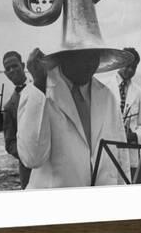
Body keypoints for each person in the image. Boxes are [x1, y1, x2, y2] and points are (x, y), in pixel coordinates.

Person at [17, 48, 131, 189]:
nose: (89, 65)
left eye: (94, 57)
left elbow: (121, 157)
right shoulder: (37, 93)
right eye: (82, 57)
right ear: (64, 57)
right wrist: (40, 84)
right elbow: (32, 158)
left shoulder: (107, 96)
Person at [106, 48, 141, 179]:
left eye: (134, 67)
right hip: (109, 149)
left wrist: (134, 136)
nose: (130, 70)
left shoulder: (139, 92)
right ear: (119, 62)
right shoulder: (105, 86)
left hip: (131, 155)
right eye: (127, 66)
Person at [2, 51, 31, 189]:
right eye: (8, 69)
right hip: (29, 169)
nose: (12, 70)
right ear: (5, 74)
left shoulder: (43, 87)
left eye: (15, 66)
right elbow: (10, 143)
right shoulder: (8, 107)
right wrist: (28, 154)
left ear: (23, 65)